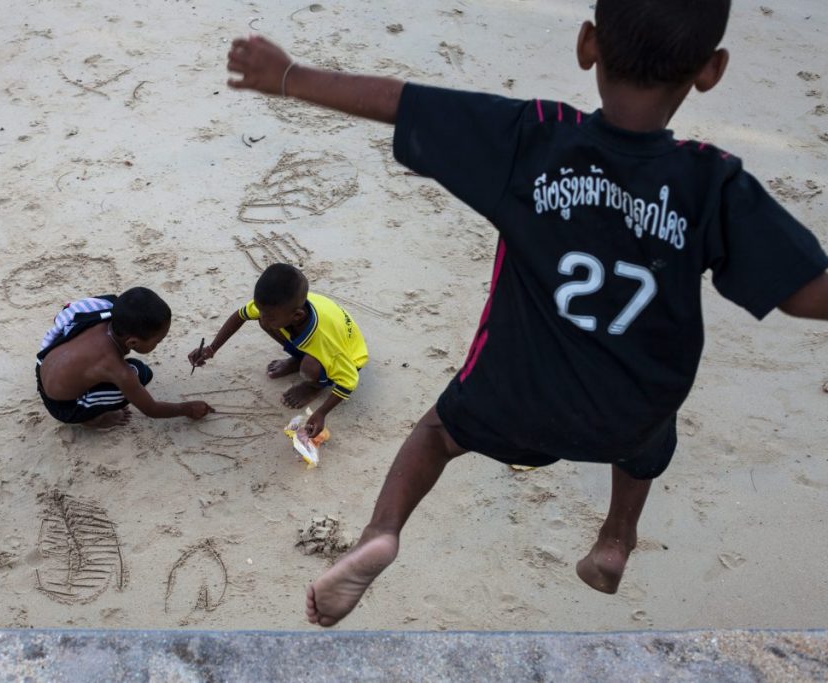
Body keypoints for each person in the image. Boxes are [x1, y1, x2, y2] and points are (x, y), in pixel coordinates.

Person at [225, 0, 828, 627]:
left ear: (588, 44)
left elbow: (403, 103)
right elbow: (803, 293)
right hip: (628, 413)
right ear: (711, 70)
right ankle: (615, 540)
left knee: (436, 436)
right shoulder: (712, 182)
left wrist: (291, 76)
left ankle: (382, 532)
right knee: (654, 426)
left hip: (515, 393)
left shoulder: (536, 137)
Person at [188, 263, 368, 437]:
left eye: (270, 316)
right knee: (266, 323)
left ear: (297, 315)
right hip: (319, 333)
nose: (263, 318)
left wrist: (321, 413)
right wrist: (211, 348)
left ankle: (315, 385)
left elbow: (349, 380)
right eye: (261, 310)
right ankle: (299, 358)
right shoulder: (275, 307)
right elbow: (240, 315)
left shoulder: (325, 341)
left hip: (348, 354)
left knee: (310, 367)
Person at [36, 287, 212, 428]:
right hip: (63, 407)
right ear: (132, 342)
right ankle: (91, 420)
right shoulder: (115, 367)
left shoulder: (108, 310)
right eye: (158, 341)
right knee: (141, 373)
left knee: (92, 308)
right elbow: (151, 409)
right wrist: (187, 408)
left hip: (43, 366)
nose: (159, 343)